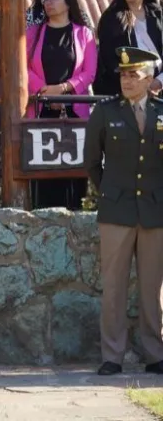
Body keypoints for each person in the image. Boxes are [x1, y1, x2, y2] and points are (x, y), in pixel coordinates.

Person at [83, 46, 163, 377]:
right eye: (123, 75)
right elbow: (91, 162)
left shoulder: (161, 111)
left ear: (150, 81)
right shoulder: (105, 112)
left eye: (134, 75)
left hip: (155, 210)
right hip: (116, 210)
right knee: (113, 285)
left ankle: (155, 353)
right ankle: (112, 355)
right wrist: (110, 192)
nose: (127, 81)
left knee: (153, 287)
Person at [26, 0, 97, 210]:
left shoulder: (83, 33)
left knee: (73, 168)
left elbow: (89, 72)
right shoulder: (33, 33)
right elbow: (23, 67)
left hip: (75, 108)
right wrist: (45, 90)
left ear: (68, 2)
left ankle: (75, 211)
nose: (48, 2)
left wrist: (64, 88)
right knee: (44, 166)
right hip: (40, 109)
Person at [93, 0, 163, 97]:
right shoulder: (111, 18)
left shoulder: (159, 15)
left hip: (158, 89)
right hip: (124, 91)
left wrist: (159, 82)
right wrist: (137, 84)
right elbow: (108, 60)